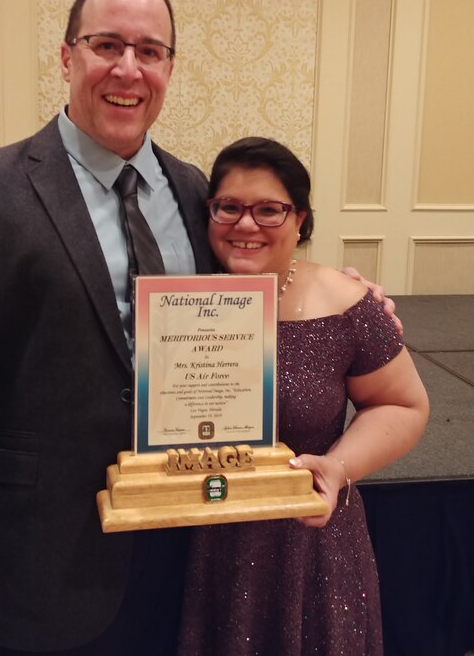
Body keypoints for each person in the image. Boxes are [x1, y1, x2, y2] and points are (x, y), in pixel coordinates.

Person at [0, 0, 398, 656]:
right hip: (34, 562)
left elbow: (247, 293)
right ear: (66, 57)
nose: (128, 68)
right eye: (106, 45)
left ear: (168, 69)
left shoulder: (194, 191)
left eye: (149, 51)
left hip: (187, 550)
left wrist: (347, 292)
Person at [178, 137, 429, 656]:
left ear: (301, 220)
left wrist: (337, 468)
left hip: (307, 546)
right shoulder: (175, 296)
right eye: (229, 207)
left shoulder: (346, 303)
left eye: (270, 210)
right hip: (191, 545)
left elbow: (404, 405)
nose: (246, 225)